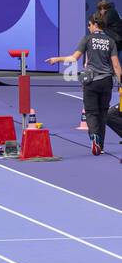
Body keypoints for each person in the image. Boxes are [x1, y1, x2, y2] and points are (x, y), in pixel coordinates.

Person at [48, 13, 122, 157]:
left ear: (95, 24)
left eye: (89, 24)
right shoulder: (110, 41)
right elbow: (116, 65)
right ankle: (100, 146)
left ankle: (94, 136)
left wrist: (57, 59)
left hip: (91, 82)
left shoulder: (88, 39)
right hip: (106, 82)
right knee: (103, 113)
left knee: (91, 112)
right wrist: (121, 83)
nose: (88, 27)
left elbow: (74, 58)